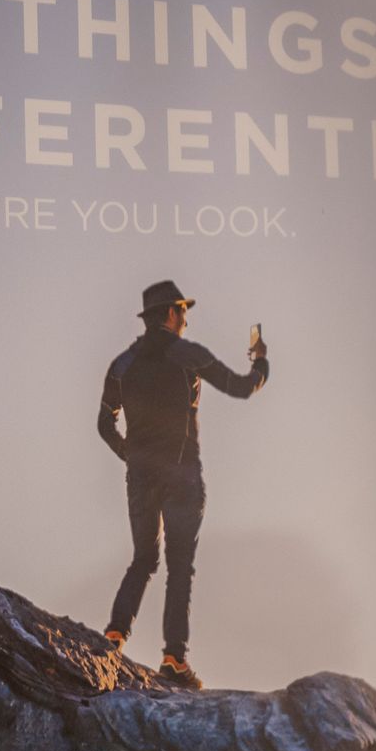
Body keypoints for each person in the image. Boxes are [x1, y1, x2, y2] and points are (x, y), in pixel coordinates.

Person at [98, 279, 269, 682]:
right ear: (172, 314)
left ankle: (114, 634)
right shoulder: (187, 354)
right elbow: (242, 388)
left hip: (140, 476)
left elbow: (104, 424)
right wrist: (261, 362)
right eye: (183, 312)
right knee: (179, 565)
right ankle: (174, 659)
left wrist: (131, 454)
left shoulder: (121, 364)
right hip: (182, 474)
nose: (186, 320)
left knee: (143, 559)